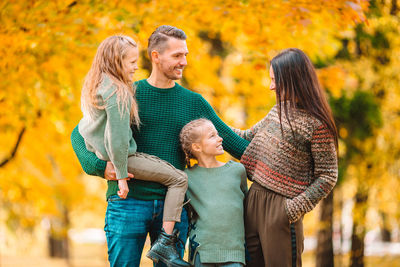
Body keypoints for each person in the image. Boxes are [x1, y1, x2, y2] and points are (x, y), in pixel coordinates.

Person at [70, 25, 250, 267]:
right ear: (155, 56)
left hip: (172, 210)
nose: (184, 61)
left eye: (185, 54)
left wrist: (277, 162)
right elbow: (78, 134)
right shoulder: (126, 92)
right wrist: (99, 166)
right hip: (127, 203)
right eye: (177, 55)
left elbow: (233, 142)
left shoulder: (192, 102)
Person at [77, 34, 190, 267]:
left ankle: (165, 241)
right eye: (131, 62)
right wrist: (120, 177)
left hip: (126, 161)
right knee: (179, 179)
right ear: (117, 62)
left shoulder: (100, 87)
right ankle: (166, 243)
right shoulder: (119, 92)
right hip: (127, 166)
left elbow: (85, 127)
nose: (136, 67)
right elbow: (116, 139)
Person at [232, 48, 338, 267]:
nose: (271, 86)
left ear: (293, 79)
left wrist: (291, 210)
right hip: (254, 200)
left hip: (282, 209)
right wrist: (208, 119)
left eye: (275, 80)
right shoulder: (277, 110)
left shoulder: (317, 124)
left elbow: (328, 175)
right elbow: (245, 138)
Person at [179, 118, 247, 267]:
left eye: (217, 134)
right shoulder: (186, 177)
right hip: (202, 254)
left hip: (234, 253)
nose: (220, 138)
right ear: (197, 147)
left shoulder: (237, 171)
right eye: (212, 136)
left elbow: (245, 207)